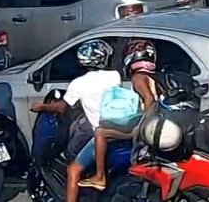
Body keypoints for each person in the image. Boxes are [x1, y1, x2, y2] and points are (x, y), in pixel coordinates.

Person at [30, 40, 119, 202]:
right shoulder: (114, 76)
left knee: (73, 170)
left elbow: (62, 107)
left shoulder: (79, 84)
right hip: (119, 130)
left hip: (100, 135)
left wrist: (41, 107)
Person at [80, 39, 159, 191]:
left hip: (145, 129)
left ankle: (100, 176)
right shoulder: (154, 76)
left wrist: (140, 129)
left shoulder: (138, 77)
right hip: (156, 126)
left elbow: (150, 100)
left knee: (100, 132)